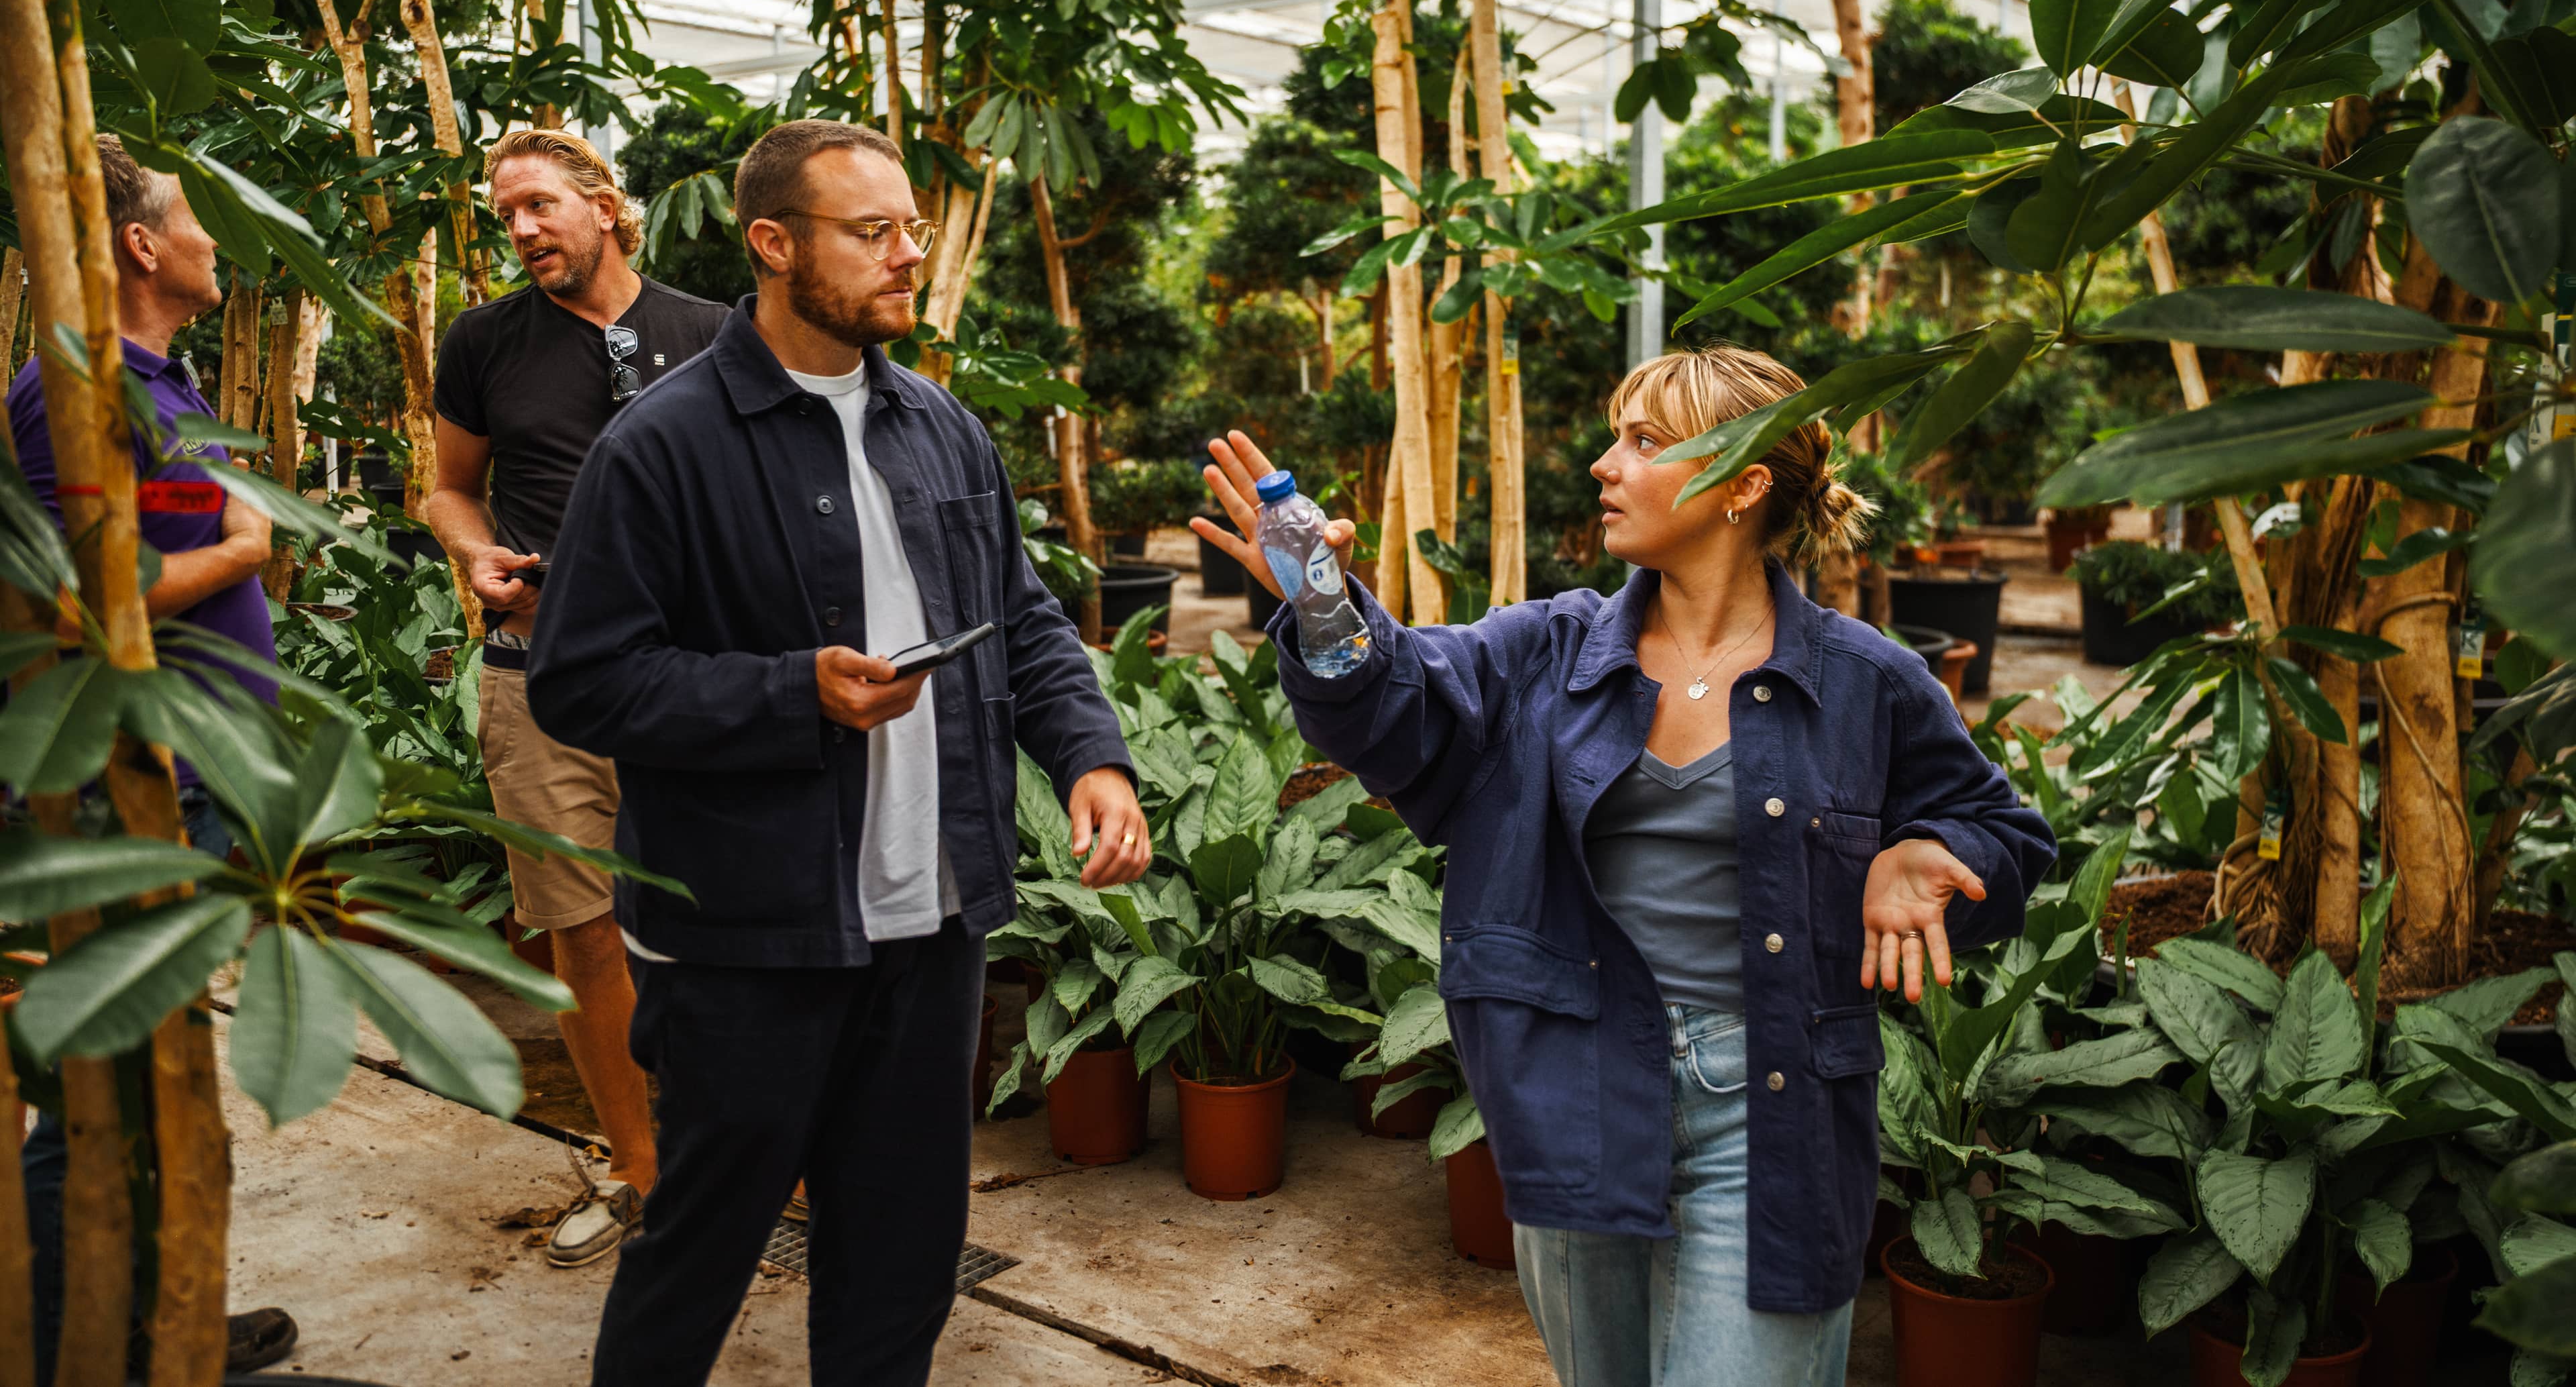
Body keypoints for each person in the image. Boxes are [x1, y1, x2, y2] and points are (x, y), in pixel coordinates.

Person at [1191, 347, 2055, 1387]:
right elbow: (1399, 708)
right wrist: (1326, 606)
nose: (1605, 464)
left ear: (1742, 486)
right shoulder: (1543, 652)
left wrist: (1933, 850)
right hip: (1575, 1085)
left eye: (1645, 442)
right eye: (1616, 436)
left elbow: (2005, 835)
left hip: (1773, 1105)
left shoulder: (1869, 681)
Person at [525, 117, 1152, 1386]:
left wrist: (1092, 756)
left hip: (933, 927)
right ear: (772, 244)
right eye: (873, 234)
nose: (908, 256)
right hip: (751, 937)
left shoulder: (942, 429)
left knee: (903, 1253)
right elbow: (580, 681)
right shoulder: (660, 448)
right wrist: (789, 695)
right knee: (702, 1240)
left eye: (910, 229)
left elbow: (1022, 618)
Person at [7, 132, 297, 1376]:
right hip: (125, 790)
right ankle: (88, 1348)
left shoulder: (153, 380)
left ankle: (159, 1314)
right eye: (196, 221)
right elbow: (78, 598)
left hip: (187, 783)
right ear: (141, 245)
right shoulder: (72, 386)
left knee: (155, 1077)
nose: (212, 243)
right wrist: (242, 554)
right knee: (97, 1096)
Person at [423, 127, 729, 1267]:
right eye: (506, 214)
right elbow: (449, 490)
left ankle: (752, 1149)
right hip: (539, 679)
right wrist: (475, 553)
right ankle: (643, 1171)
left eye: (541, 205)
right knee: (583, 936)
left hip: (696, 684)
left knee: (724, 922)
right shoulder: (484, 342)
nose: (522, 230)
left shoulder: (713, 332)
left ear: (607, 207)